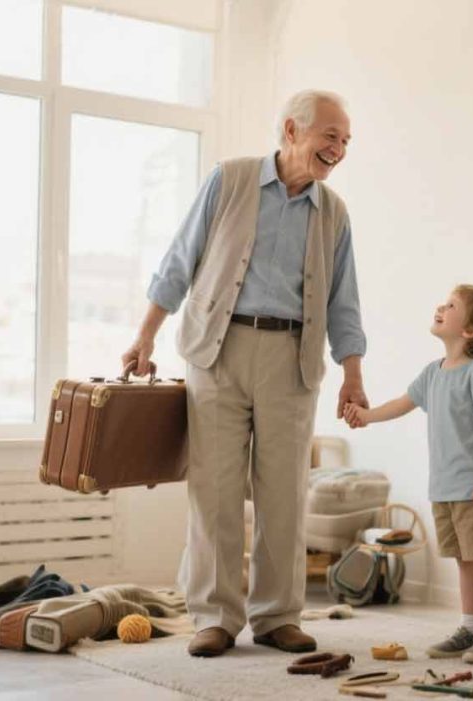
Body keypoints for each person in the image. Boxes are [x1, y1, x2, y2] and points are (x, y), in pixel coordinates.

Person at [122, 90, 367, 658]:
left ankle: (278, 615)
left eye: (346, 140)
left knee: (284, 491)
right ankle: (214, 615)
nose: (338, 148)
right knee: (214, 489)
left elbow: (343, 301)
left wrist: (352, 373)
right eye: (330, 135)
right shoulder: (228, 180)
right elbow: (178, 263)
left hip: (292, 358)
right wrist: (144, 336)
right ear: (291, 130)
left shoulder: (334, 214)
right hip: (218, 349)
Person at [343, 284, 473, 663]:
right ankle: (469, 628)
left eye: (452, 305)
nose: (441, 306)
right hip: (445, 488)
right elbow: (401, 404)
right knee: (463, 560)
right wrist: (366, 417)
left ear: (470, 331)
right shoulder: (432, 373)